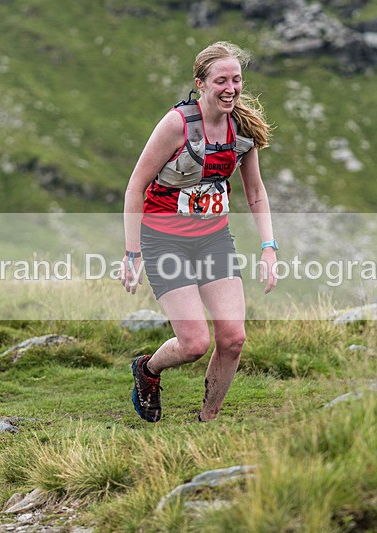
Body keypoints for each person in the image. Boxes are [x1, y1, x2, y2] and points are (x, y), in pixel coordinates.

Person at [121, 41, 277, 423]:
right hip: (164, 240)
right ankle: (148, 370)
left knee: (233, 339)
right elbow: (135, 187)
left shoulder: (241, 127)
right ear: (201, 83)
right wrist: (132, 254)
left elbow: (255, 192)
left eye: (237, 80)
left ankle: (208, 421)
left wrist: (269, 247)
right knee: (194, 344)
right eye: (221, 80)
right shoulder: (177, 124)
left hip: (213, 240)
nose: (231, 88)